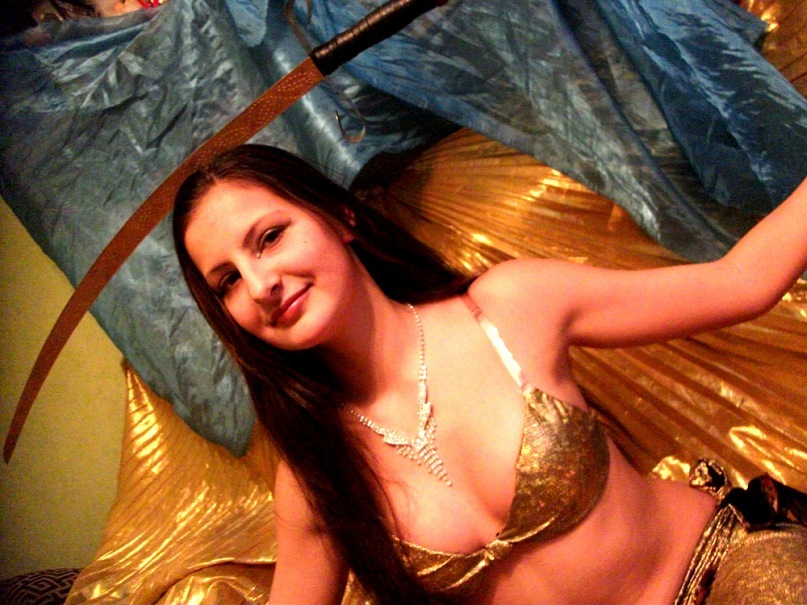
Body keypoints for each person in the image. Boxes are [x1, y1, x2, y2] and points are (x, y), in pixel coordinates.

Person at [172, 144, 807, 604]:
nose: (260, 283)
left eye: (270, 238)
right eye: (227, 282)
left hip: (721, 573)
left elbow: (741, 282)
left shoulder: (507, 308)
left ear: (341, 217)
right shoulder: (316, 475)